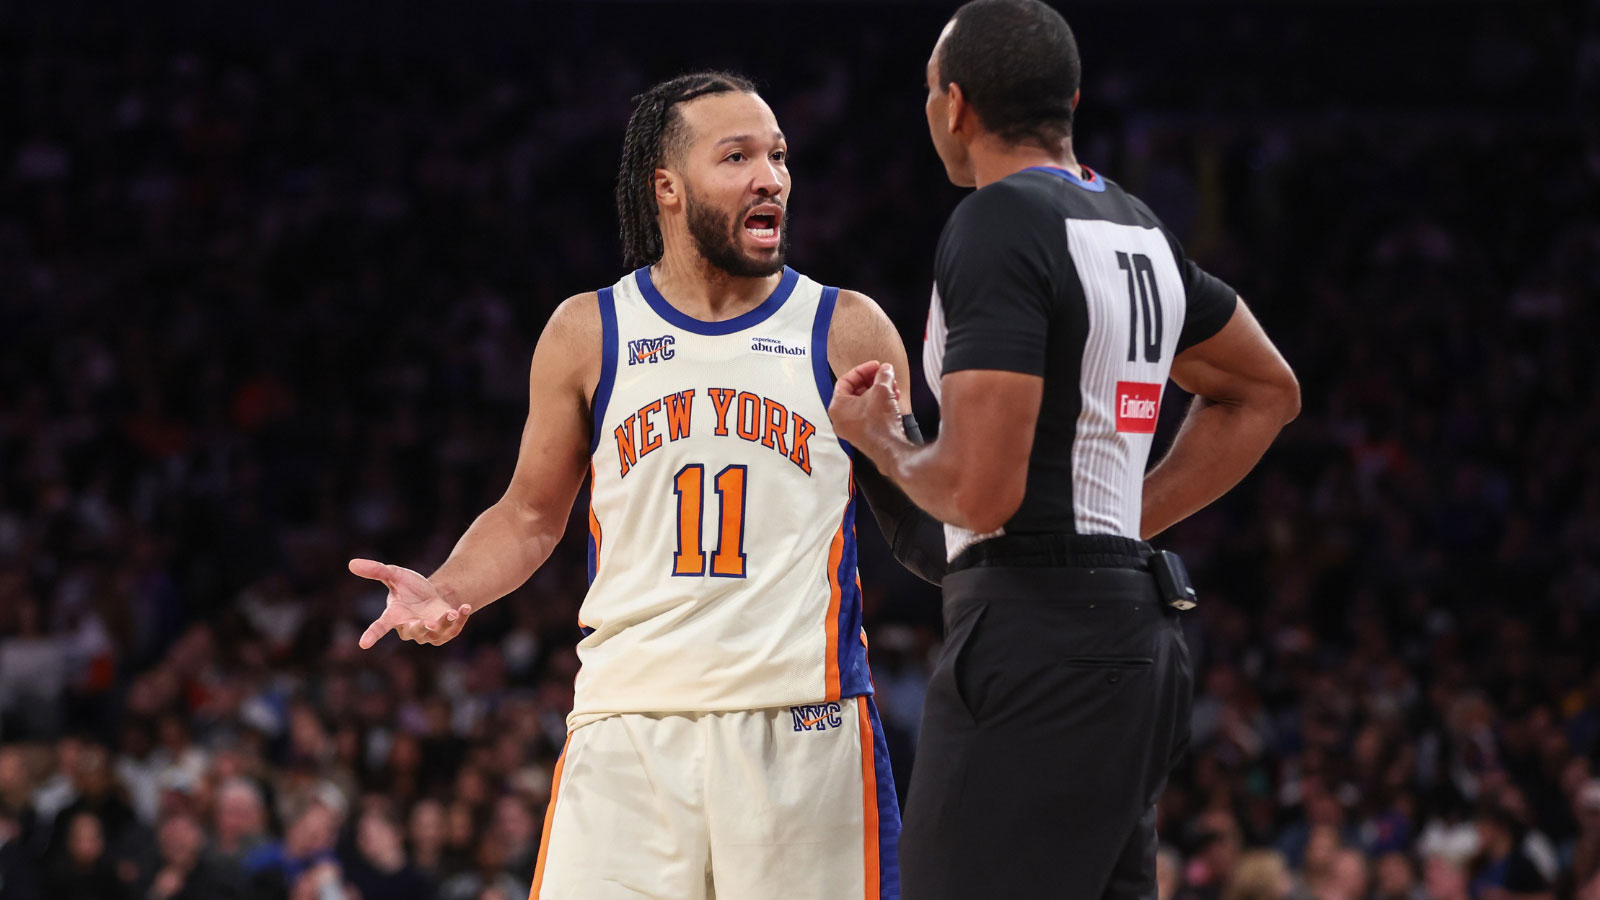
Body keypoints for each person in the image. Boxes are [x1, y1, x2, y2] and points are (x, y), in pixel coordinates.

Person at [348, 71, 940, 899]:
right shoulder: (588, 331)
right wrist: (448, 588)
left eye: (777, 156)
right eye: (736, 156)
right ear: (667, 187)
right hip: (628, 730)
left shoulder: (846, 327)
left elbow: (927, 522)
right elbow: (528, 515)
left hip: (802, 724)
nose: (770, 176)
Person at [828, 1, 1301, 898]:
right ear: (1069, 100)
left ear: (955, 106)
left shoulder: (996, 223)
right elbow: (1266, 391)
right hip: (1134, 638)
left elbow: (980, 492)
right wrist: (1124, 522)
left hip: (1036, 642)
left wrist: (881, 440)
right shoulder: (1136, 227)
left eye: (929, 93)